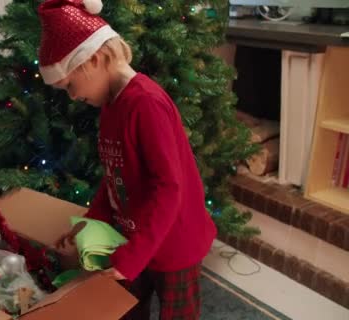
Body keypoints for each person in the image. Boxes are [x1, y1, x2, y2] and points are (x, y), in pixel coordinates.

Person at [39, 0, 217, 319]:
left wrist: (131, 257)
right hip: (138, 240)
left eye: (70, 85)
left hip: (176, 244)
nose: (73, 96)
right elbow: (115, 177)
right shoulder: (111, 105)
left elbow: (169, 188)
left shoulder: (146, 103)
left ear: (93, 60)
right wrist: (89, 222)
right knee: (126, 310)